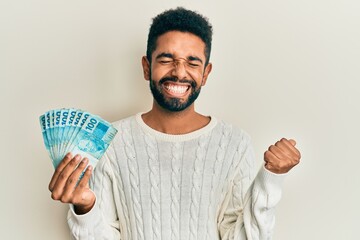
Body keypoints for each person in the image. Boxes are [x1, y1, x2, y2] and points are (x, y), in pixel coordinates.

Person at [48, 7, 301, 240]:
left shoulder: (235, 144)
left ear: (205, 74)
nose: (180, 72)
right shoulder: (111, 141)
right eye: (167, 59)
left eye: (192, 62)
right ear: (147, 67)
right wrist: (85, 207)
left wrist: (271, 179)